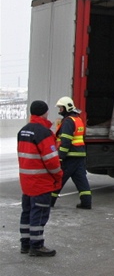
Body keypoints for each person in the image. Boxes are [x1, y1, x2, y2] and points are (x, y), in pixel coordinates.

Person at [18, 100, 63, 257]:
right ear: (45, 112)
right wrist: (58, 175)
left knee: (27, 212)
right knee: (40, 213)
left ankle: (25, 243)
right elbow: (51, 161)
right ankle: (36, 245)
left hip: (26, 181)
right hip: (40, 182)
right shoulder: (44, 132)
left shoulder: (23, 131)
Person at [50, 96, 92, 209]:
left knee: (59, 178)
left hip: (70, 156)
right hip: (80, 155)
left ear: (66, 108)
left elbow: (66, 142)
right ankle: (86, 202)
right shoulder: (77, 119)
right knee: (81, 180)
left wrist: (60, 157)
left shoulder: (68, 121)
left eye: (61, 108)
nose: (60, 110)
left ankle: (49, 202)